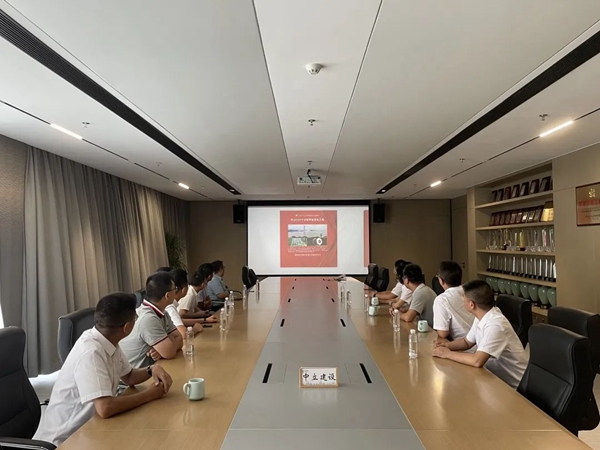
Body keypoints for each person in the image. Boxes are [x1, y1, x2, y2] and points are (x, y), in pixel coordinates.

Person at [37, 293, 172, 446]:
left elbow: (129, 376)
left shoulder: (108, 340)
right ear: (127, 327)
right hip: (67, 439)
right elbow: (105, 408)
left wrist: (152, 369)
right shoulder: (91, 352)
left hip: (93, 428)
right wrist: (148, 395)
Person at [432, 280, 528, 389]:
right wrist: (446, 345)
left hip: (514, 388)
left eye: (464, 300)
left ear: (471, 304)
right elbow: (466, 342)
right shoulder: (483, 316)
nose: (462, 302)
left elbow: (477, 361)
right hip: (494, 377)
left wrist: (448, 354)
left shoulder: (495, 325)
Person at [120, 271, 183, 367]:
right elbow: (169, 352)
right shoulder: (148, 318)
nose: (176, 291)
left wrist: (162, 350)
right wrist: (167, 345)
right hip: (136, 374)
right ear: (167, 295)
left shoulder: (162, 312)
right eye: (175, 289)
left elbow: (180, 339)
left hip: (152, 368)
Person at [432, 261, 474, 341]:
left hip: (463, 344)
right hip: (481, 340)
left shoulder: (441, 300)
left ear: (441, 280)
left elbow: (442, 333)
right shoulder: (470, 291)